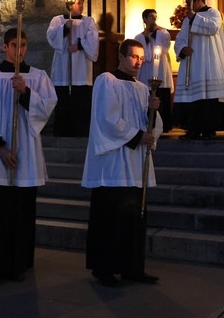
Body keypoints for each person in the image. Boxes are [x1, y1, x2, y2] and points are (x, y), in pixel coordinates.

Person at [0, 27, 58, 288]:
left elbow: (47, 107)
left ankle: (18, 264)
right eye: (14, 45)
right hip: (0, 157)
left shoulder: (38, 77)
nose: (19, 50)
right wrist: (0, 148)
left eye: (23, 45)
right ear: (4, 47)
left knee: (22, 213)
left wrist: (26, 92)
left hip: (26, 157)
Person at [82, 38, 162, 287]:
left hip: (135, 164)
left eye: (141, 58)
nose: (138, 62)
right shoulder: (107, 81)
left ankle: (133, 268)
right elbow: (107, 119)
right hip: (114, 164)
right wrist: (140, 137)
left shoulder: (141, 88)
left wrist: (153, 111)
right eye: (133, 57)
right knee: (111, 218)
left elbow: (152, 125)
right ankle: (104, 269)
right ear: (121, 56)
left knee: (133, 219)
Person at [173, 0, 224, 139]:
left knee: (208, 99)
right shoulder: (186, 20)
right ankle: (193, 129)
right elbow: (180, 38)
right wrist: (182, 48)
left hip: (209, 62)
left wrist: (195, 18)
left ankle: (209, 129)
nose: (187, 6)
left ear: (197, 1)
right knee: (193, 98)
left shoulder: (213, 13)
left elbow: (213, 28)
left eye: (188, 2)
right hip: (193, 64)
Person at [46, 0, 98, 136]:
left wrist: (79, 46)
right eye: (78, 3)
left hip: (81, 70)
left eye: (82, 3)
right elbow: (51, 37)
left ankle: (80, 132)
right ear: (69, 4)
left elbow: (93, 43)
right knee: (63, 102)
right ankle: (62, 131)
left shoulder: (88, 22)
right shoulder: (58, 20)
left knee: (81, 103)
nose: (81, 6)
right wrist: (64, 29)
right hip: (63, 70)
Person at [135, 8, 173, 132]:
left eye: (155, 17)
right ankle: (148, 124)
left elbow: (163, 49)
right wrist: (146, 38)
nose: (154, 19)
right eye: (151, 17)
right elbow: (146, 56)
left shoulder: (163, 34)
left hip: (161, 70)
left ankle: (165, 126)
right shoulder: (139, 37)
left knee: (162, 97)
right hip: (146, 72)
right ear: (145, 19)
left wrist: (154, 33)